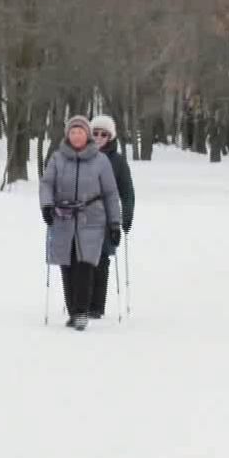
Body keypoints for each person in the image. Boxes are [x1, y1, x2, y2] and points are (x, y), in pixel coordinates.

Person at [39, 114, 122, 330]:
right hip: (63, 217)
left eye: (81, 132)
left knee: (86, 264)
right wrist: (47, 206)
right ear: (68, 135)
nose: (77, 136)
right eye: (73, 132)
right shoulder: (57, 158)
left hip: (92, 217)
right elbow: (46, 184)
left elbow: (111, 193)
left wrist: (115, 224)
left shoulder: (100, 160)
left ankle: (82, 312)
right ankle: (73, 309)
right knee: (68, 264)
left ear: (87, 135)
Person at [89, 115, 135, 318]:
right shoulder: (81, 157)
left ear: (110, 137)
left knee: (101, 260)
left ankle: (97, 306)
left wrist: (127, 216)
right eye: (95, 133)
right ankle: (80, 302)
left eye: (103, 134)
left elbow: (127, 192)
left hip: (108, 218)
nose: (99, 137)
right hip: (82, 216)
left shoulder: (117, 161)